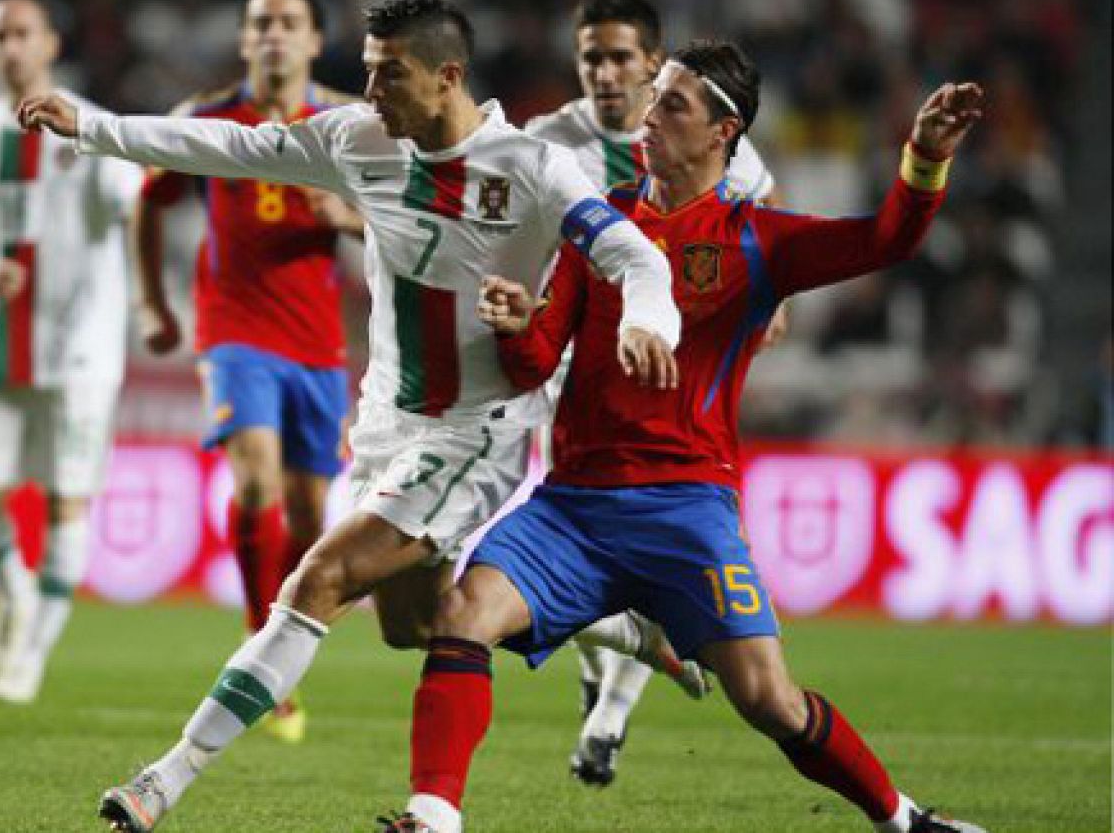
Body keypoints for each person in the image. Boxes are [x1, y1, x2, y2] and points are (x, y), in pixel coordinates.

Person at [20, 0, 698, 831]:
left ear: (448, 76)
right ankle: (607, 622)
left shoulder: (529, 166)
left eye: (390, 74)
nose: (368, 90)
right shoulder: (356, 141)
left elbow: (633, 253)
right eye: (367, 70)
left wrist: (644, 318)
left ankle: (161, 781)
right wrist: (92, 128)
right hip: (386, 424)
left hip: (475, 433)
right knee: (416, 624)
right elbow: (229, 145)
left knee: (318, 578)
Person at [383, 41, 988, 833]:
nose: (650, 115)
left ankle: (902, 819)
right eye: (653, 97)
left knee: (771, 701)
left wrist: (923, 158)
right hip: (574, 509)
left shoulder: (754, 239)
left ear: (722, 131)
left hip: (687, 509)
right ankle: (433, 817)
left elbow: (885, 240)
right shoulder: (595, 229)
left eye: (672, 104)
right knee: (463, 613)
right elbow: (535, 366)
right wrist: (512, 325)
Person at [522, 0, 779, 787]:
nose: (604, 73)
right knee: (577, 546)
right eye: (590, 57)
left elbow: (758, 231)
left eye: (621, 58)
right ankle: (631, 654)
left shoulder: (702, 140)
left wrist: (772, 306)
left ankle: (611, 709)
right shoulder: (545, 139)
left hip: (665, 369)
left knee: (628, 533)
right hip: (560, 361)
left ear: (652, 61)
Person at [134, 0, 363, 744]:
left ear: (313, 41)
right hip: (233, 332)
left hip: (318, 343)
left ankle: (277, 650)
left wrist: (349, 219)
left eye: (288, 24)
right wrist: (155, 306)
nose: (272, 35)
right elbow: (150, 200)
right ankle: (254, 631)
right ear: (243, 40)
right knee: (255, 477)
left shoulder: (347, 124)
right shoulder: (205, 118)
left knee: (305, 512)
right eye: (260, 23)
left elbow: (405, 215)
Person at [0, 0, 142, 705]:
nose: (10, 47)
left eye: (22, 33)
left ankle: (31, 656)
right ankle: (15, 592)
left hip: (82, 350)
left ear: (50, 43)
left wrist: (151, 302)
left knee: (69, 503)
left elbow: (137, 201)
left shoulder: (90, 128)